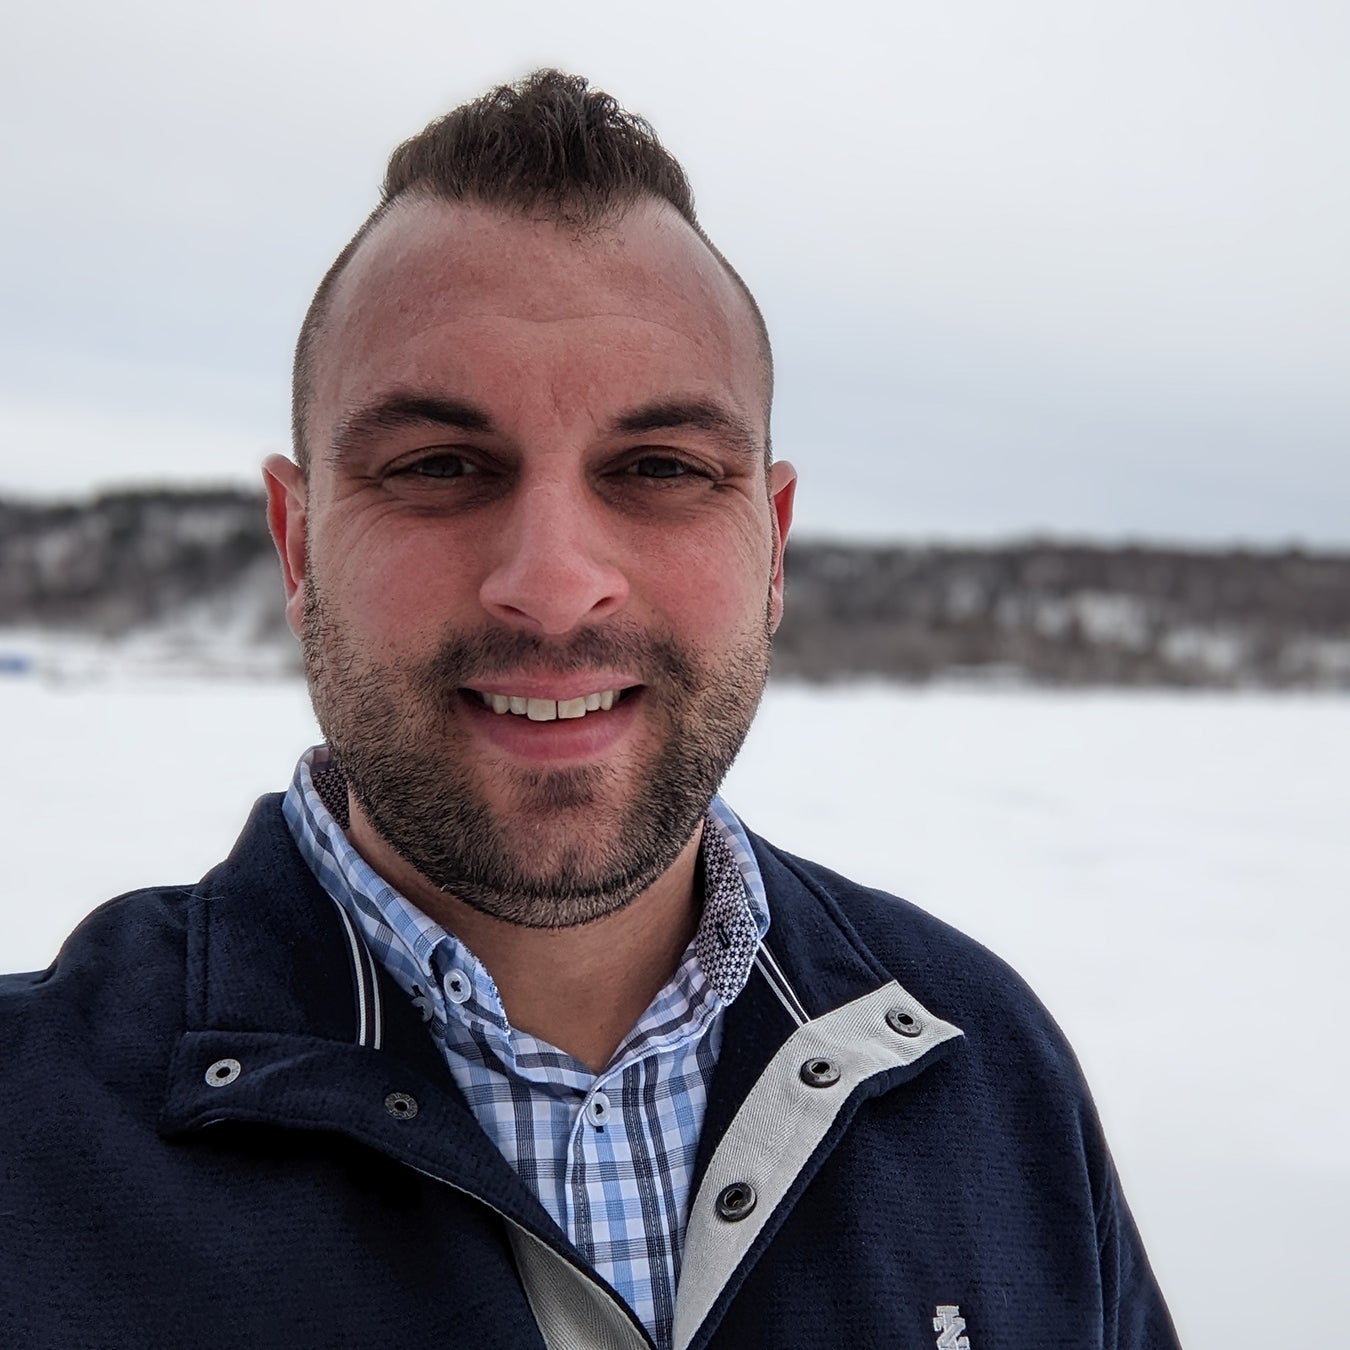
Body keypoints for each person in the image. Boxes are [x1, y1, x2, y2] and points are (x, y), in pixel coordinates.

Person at [0, 71, 1179, 1350]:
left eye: (661, 469)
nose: (554, 584)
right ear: (298, 548)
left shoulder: (981, 1071)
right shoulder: (30, 1136)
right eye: (440, 467)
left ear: (773, 551)